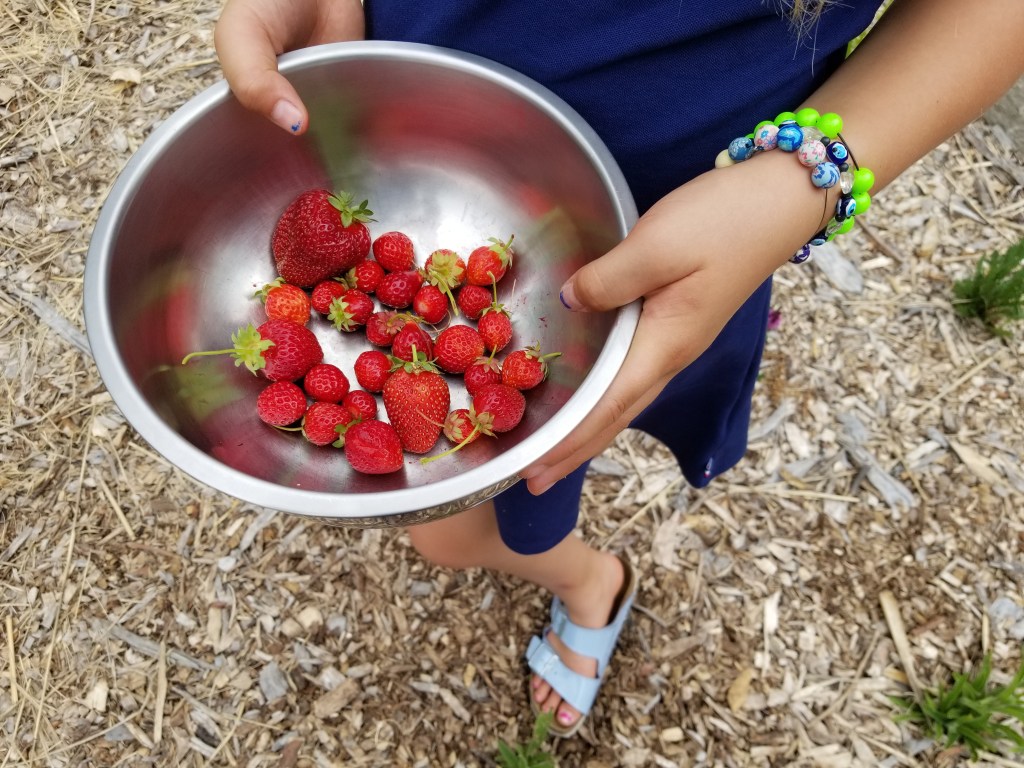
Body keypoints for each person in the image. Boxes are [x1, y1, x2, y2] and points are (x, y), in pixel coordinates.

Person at [214, 0, 1024, 736]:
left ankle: (590, 579)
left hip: (670, 216)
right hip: (405, 82)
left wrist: (803, 182)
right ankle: (579, 574)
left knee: (462, 532)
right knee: (454, 524)